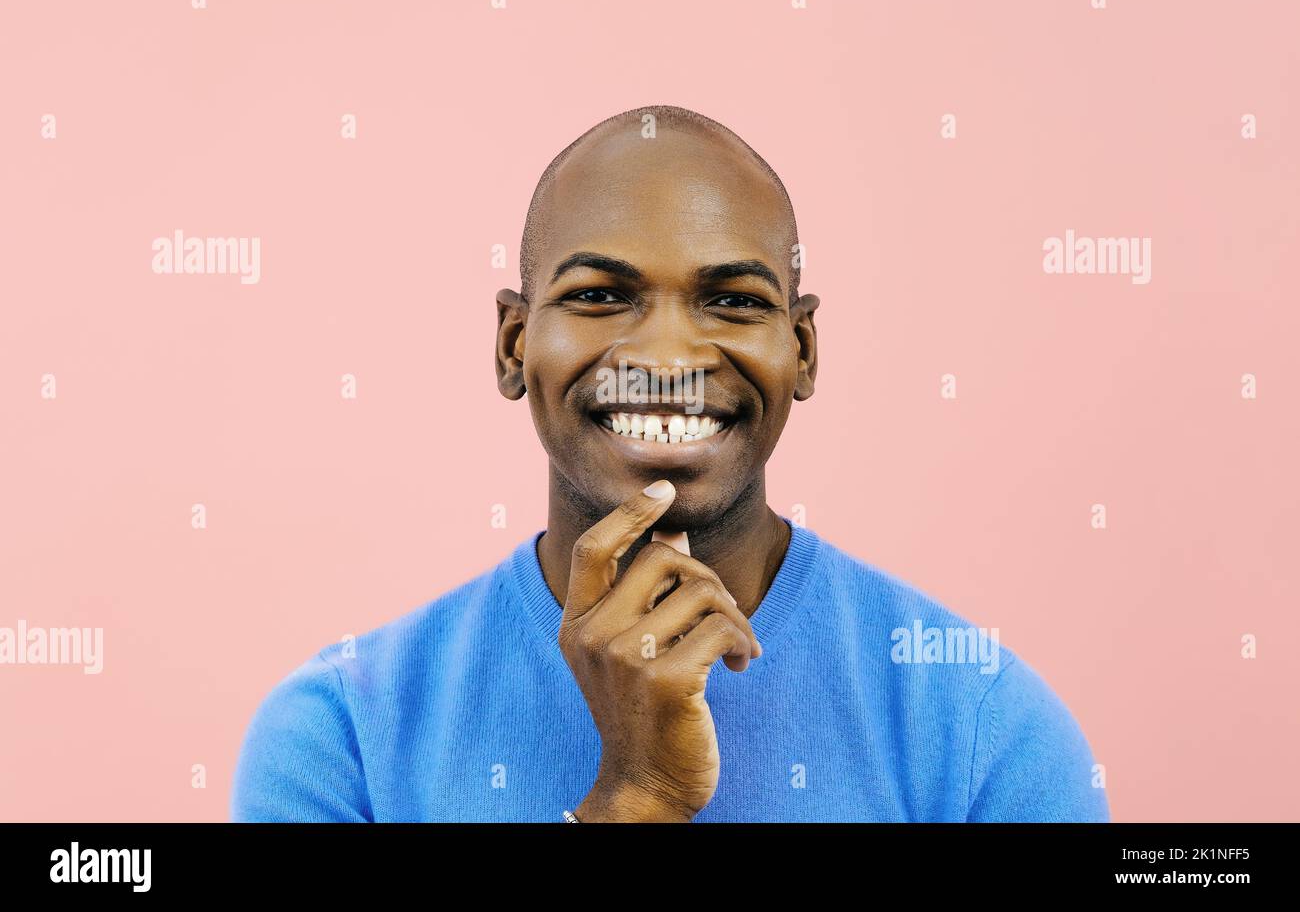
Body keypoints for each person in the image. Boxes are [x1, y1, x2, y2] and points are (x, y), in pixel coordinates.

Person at [231, 104, 1109, 822]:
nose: (668, 354)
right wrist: (635, 799)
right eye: (600, 296)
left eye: (731, 301)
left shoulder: (980, 721)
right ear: (512, 345)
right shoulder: (340, 733)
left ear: (800, 350)